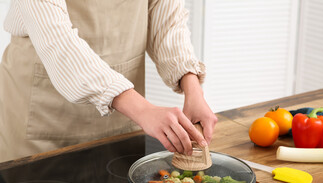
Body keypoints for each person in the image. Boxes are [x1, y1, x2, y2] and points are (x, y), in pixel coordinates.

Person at [0, 0, 218, 163]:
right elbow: (57, 41)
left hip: (126, 114)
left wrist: (192, 87)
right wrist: (143, 109)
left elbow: (166, 20)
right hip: (46, 111)